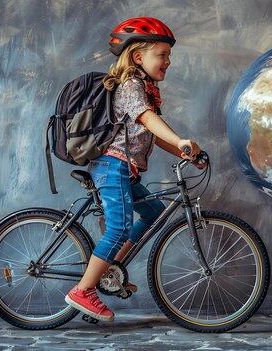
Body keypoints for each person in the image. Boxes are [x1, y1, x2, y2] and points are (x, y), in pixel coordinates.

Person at [64, 17, 206, 322]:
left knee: (153, 213)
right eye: (162, 54)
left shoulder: (145, 87)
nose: (168, 61)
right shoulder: (131, 86)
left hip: (123, 170)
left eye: (169, 55)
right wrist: (181, 139)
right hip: (111, 166)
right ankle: (83, 290)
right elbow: (147, 120)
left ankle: (108, 270)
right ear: (139, 57)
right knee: (118, 228)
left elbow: (153, 133)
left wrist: (184, 151)